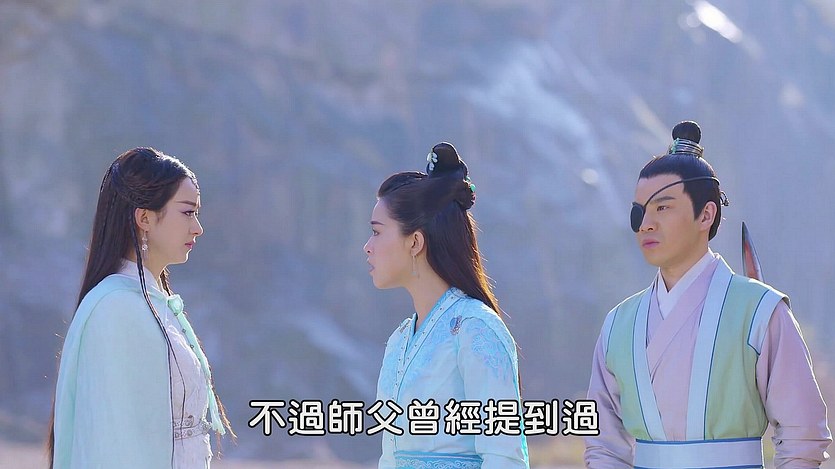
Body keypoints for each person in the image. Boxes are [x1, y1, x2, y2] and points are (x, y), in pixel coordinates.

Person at [584, 121, 831, 468]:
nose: (645, 224)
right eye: (640, 210)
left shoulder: (760, 311)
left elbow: (802, 436)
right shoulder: (618, 323)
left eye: (662, 207)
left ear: (706, 214)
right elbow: (603, 445)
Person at [49, 148, 234, 468]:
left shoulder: (151, 303)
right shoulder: (115, 308)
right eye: (187, 212)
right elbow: (114, 441)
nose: (198, 228)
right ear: (144, 218)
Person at [364, 142, 529, 468]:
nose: (367, 246)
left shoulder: (475, 329)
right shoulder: (399, 340)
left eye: (377, 233)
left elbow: (504, 456)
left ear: (415, 242)